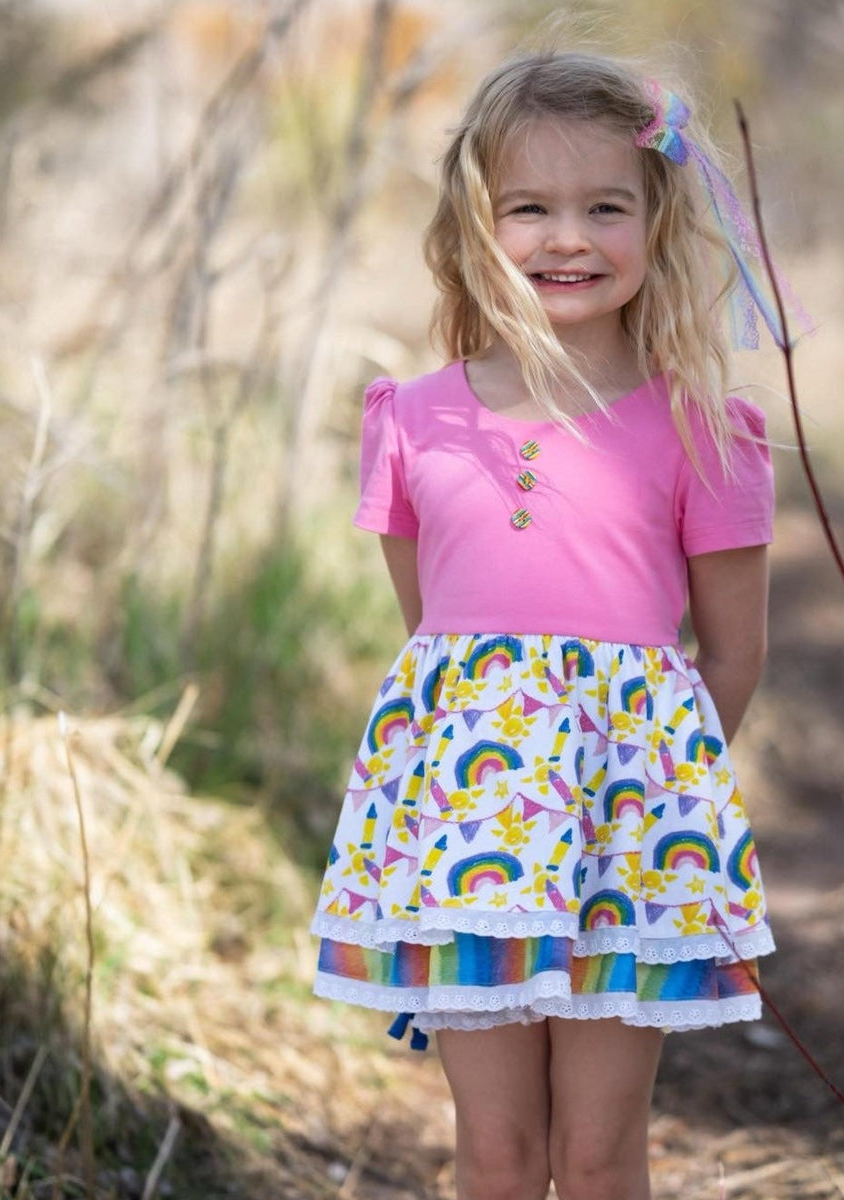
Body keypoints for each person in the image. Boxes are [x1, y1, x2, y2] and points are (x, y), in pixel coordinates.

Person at [311, 49, 787, 1200]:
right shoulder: (413, 422)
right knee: (499, 1151)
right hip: (470, 835)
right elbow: (440, 643)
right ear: (479, 223)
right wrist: (510, 770)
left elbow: (731, 653)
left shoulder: (705, 434)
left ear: (656, 220)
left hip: (633, 832)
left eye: (603, 207)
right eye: (530, 207)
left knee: (597, 1152)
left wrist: (646, 782)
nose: (566, 238)